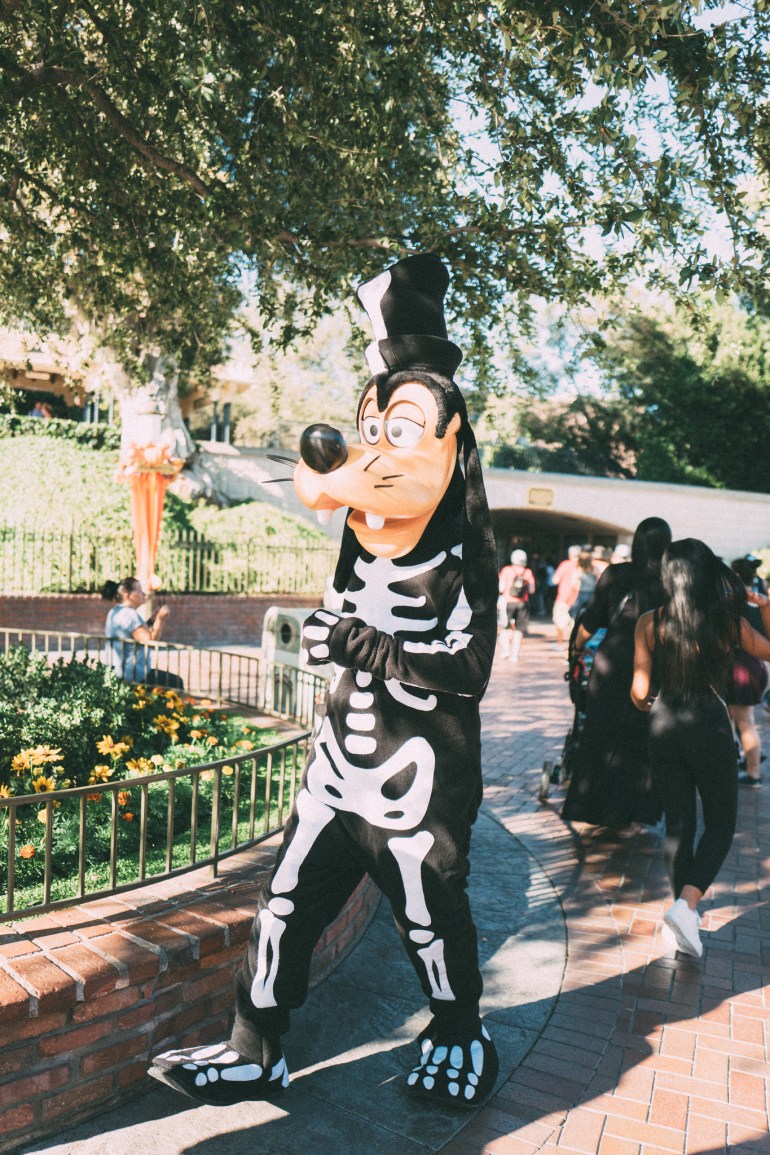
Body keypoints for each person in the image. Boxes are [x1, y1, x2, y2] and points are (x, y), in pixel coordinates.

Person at [631, 538, 770, 958]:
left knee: (678, 823)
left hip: (664, 724)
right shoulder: (726, 622)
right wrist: (763, 606)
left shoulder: (649, 622)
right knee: (722, 822)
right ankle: (686, 906)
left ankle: (682, 914)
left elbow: (639, 693)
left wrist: (650, 702)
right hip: (709, 723)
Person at [561, 517, 672, 831]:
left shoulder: (616, 574)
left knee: (600, 730)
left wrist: (576, 650)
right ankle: (634, 811)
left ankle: (590, 806)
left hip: (613, 660)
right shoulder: (671, 582)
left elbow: (592, 618)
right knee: (641, 737)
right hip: (654, 664)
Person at [727, 557, 770, 787]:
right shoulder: (758, 604)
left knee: (744, 721)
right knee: (742, 720)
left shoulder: (733, 603)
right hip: (755, 666)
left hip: (739, 668)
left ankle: (753, 772)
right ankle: (748, 766)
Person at [101, 577, 183, 688]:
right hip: (133, 678)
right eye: (139, 591)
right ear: (127, 595)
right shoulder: (130, 615)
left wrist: (151, 621)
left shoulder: (115, 611)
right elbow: (151, 642)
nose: (143, 594)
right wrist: (160, 619)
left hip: (117, 673)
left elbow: (135, 633)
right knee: (176, 682)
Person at [498, 548, 536, 661]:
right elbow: (532, 590)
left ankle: (506, 650)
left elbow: (501, 587)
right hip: (523, 603)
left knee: (505, 628)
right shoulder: (528, 572)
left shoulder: (506, 570)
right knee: (519, 630)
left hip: (508, 602)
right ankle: (514, 655)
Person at [551, 544, 581, 645]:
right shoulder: (583, 565)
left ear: (569, 555)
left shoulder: (565, 564)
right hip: (578, 598)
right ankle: (573, 645)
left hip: (563, 598)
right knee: (575, 623)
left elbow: (555, 580)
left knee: (560, 621)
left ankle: (560, 643)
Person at [568, 549, 598, 625]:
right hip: (592, 595)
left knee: (576, 615)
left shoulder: (578, 570)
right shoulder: (595, 570)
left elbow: (574, 584)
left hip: (582, 594)